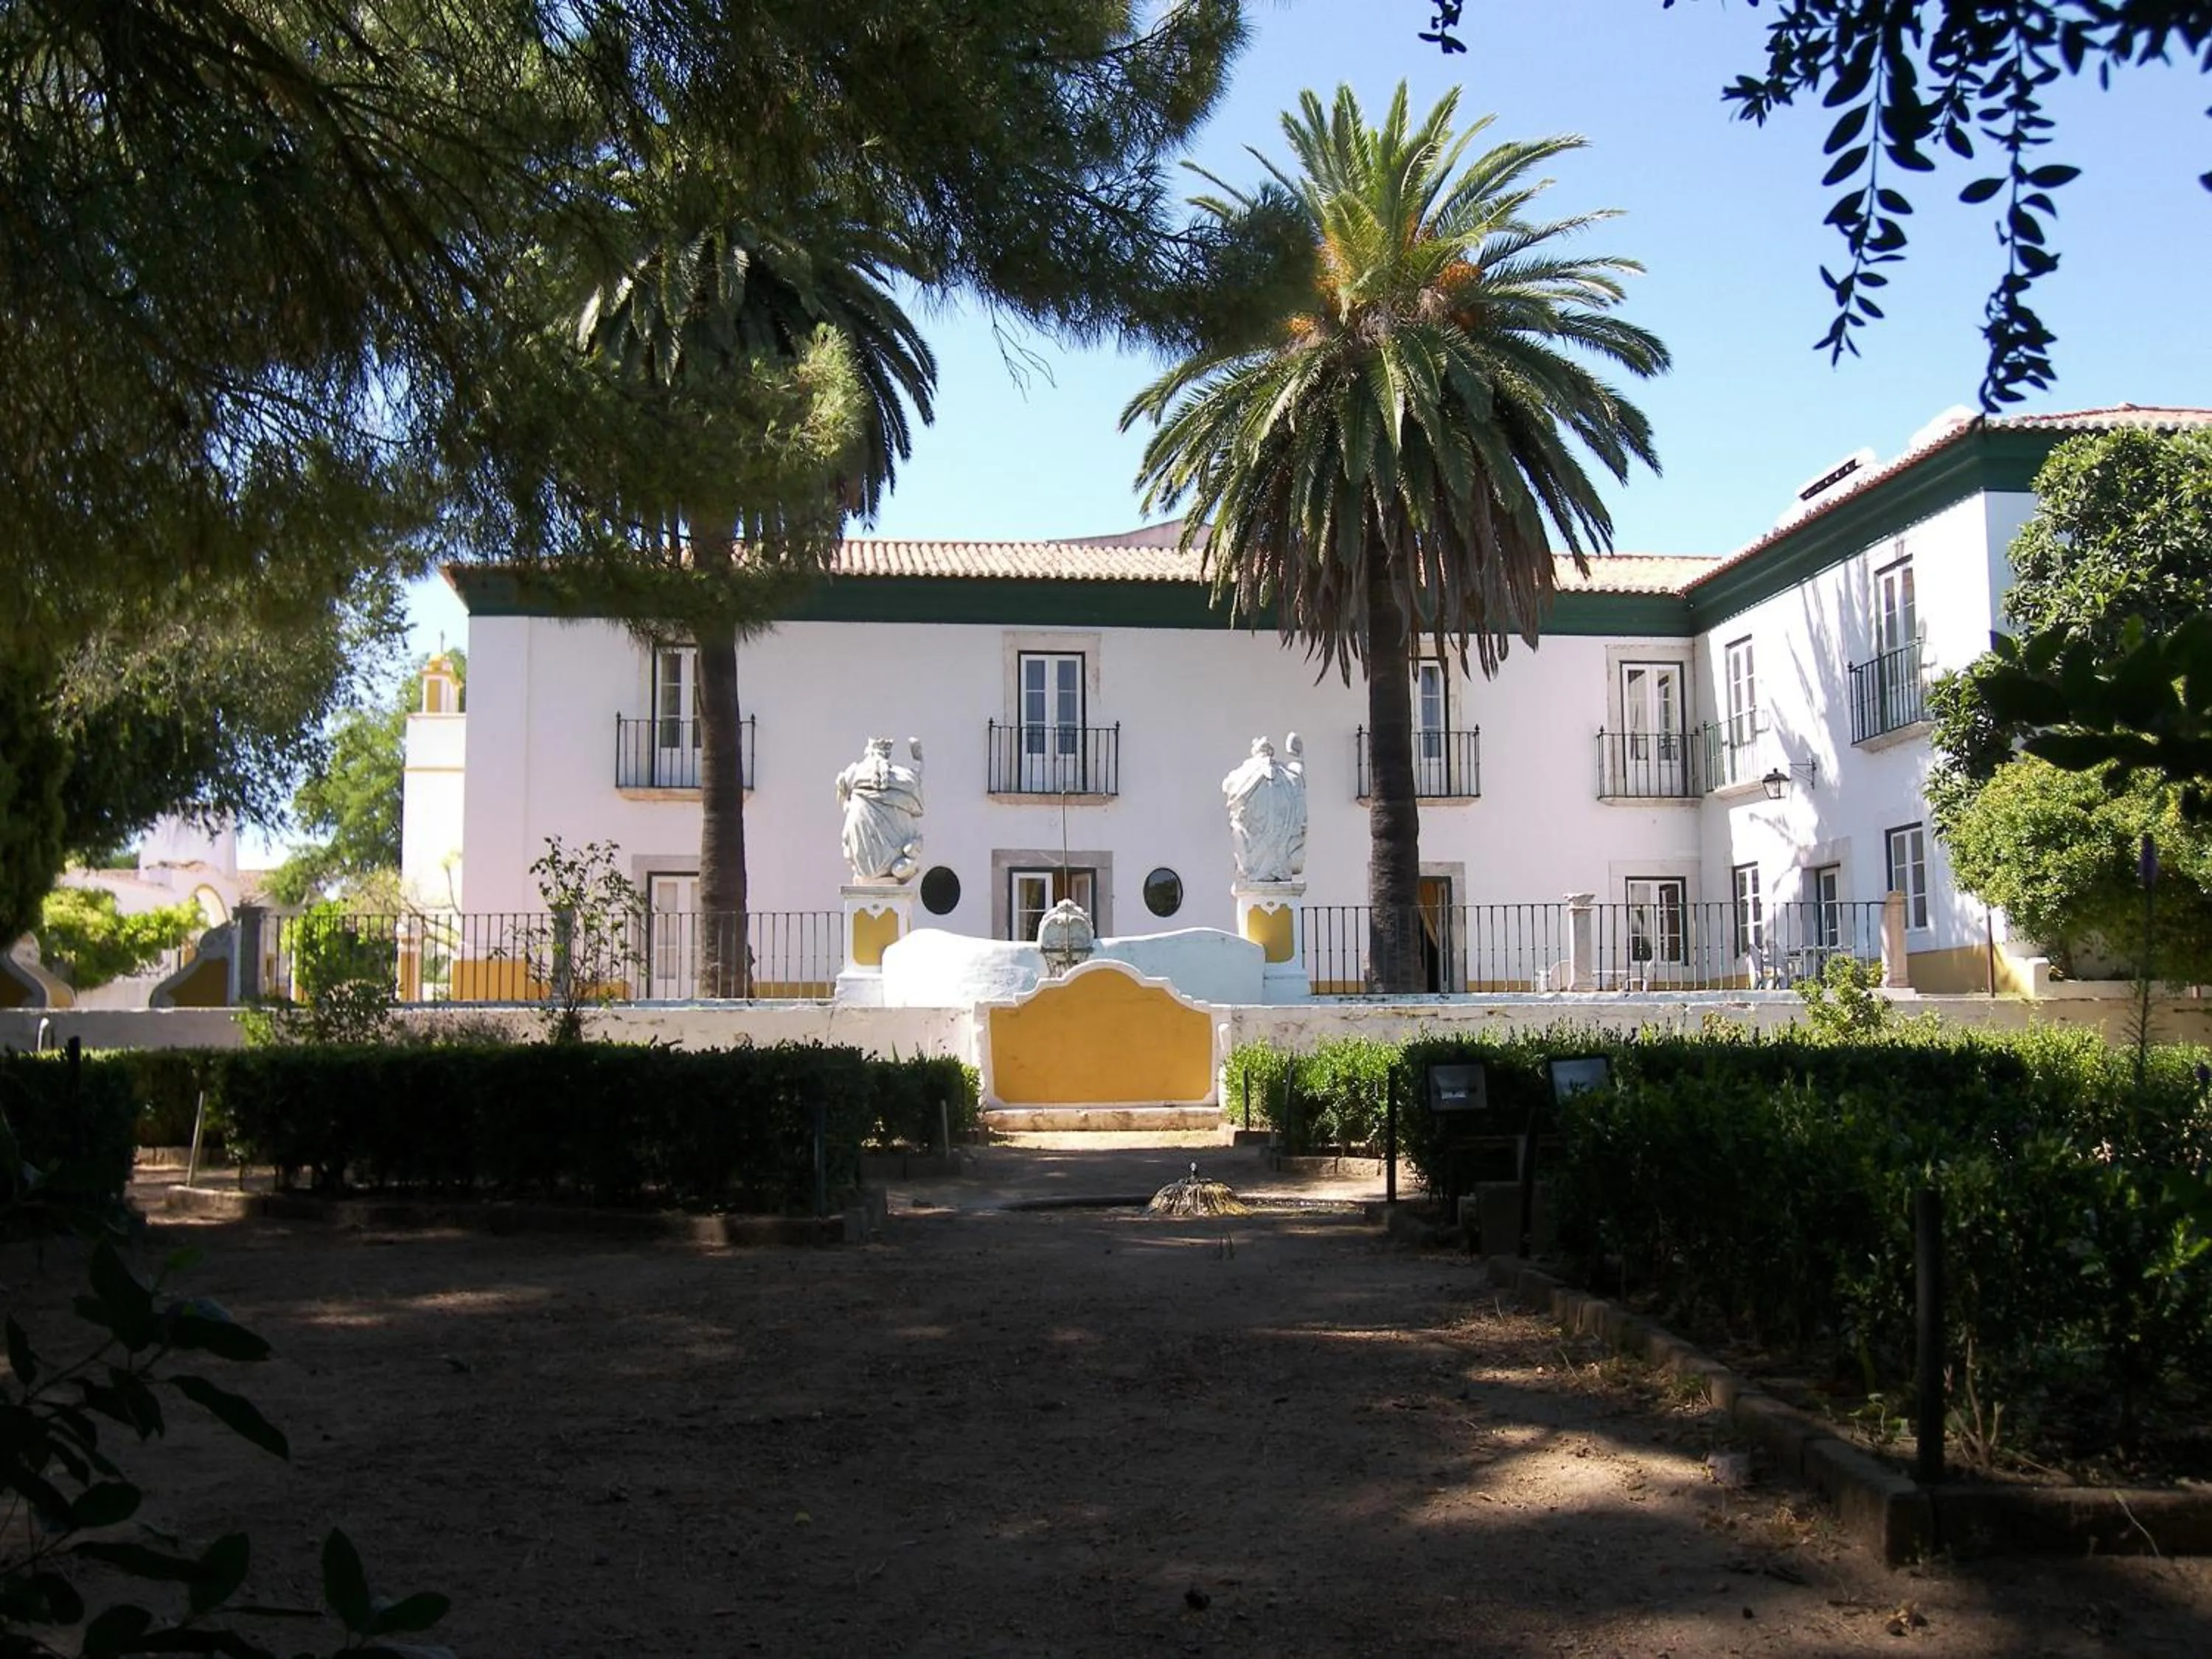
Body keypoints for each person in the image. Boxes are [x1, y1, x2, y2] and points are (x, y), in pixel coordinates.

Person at [836, 737, 925, 883]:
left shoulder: (853, 774)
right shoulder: (901, 777)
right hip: (892, 860)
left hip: (864, 863)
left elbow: (842, 793)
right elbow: (915, 781)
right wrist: (919, 760)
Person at [1222, 734, 1306, 883]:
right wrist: (1298, 759)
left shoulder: (1242, 774)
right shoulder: (1286, 775)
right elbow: (1298, 780)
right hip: (1274, 842)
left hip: (1262, 846)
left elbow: (1228, 787)